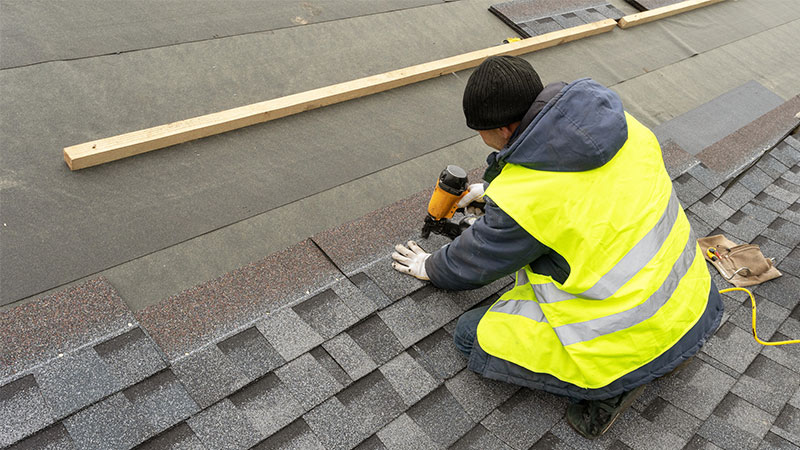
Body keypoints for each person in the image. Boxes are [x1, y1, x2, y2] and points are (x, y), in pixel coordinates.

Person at [391, 55, 723, 438]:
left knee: (471, 335)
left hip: (632, 336)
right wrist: (494, 194)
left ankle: (611, 386)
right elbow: (582, 193)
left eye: (480, 132)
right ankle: (647, 356)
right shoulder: (625, 128)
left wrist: (428, 266)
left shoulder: (528, 202)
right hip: (691, 300)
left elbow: (472, 265)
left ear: (503, 129)